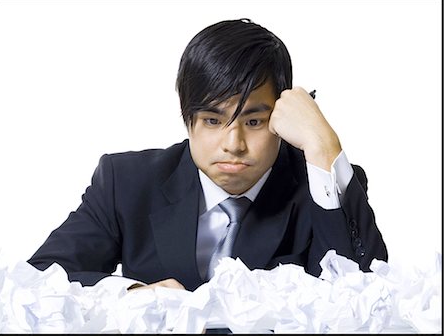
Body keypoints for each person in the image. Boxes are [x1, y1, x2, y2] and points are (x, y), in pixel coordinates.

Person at [28, 18, 387, 293]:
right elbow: (40, 281)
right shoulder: (125, 181)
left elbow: (367, 299)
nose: (234, 143)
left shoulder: (321, 186)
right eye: (213, 120)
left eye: (254, 121)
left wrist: (323, 145)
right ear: (188, 120)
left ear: (280, 117)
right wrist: (133, 294)